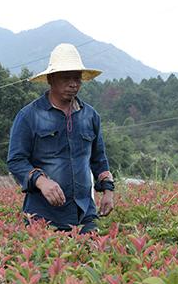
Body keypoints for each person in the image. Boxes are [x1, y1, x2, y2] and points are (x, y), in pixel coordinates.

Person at [7, 43, 115, 233]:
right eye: (66, 78)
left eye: (77, 78)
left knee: (92, 259)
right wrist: (42, 181)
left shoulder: (90, 116)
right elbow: (16, 161)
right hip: (42, 216)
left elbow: (99, 159)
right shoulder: (29, 116)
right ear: (51, 79)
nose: (73, 84)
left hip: (85, 213)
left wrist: (108, 190)